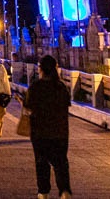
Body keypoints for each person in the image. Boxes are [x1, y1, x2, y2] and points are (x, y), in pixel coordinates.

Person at [24, 55, 72, 199]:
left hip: (40, 132)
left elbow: (28, 108)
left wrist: (22, 102)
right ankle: (64, 191)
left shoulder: (36, 87)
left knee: (42, 162)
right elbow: (66, 106)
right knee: (61, 162)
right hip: (60, 132)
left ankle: (43, 192)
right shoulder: (61, 87)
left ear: (41, 69)